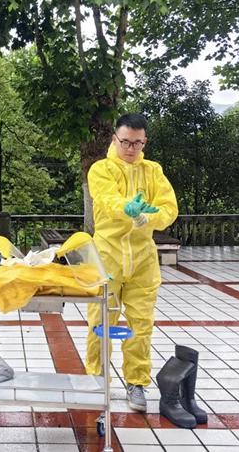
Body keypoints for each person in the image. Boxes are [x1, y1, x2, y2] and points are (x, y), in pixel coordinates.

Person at [85, 113, 178, 412]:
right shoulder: (101, 169)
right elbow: (105, 199)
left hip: (142, 260)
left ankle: (136, 382)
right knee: (101, 323)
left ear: (144, 142)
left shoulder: (153, 171)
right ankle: (96, 379)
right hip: (107, 257)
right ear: (115, 139)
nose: (130, 148)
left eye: (137, 143)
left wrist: (149, 217)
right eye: (125, 142)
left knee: (141, 325)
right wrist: (127, 207)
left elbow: (169, 208)